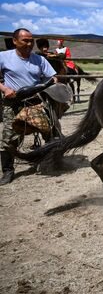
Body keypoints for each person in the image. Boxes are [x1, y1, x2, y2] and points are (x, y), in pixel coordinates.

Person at [0, 28, 58, 185]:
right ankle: (8, 171)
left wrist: (52, 81)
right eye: (25, 40)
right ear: (14, 41)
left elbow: (52, 77)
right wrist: (5, 89)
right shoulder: (4, 57)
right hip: (13, 103)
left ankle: (51, 161)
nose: (29, 44)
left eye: (31, 40)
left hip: (35, 102)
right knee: (9, 139)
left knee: (51, 132)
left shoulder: (39, 60)